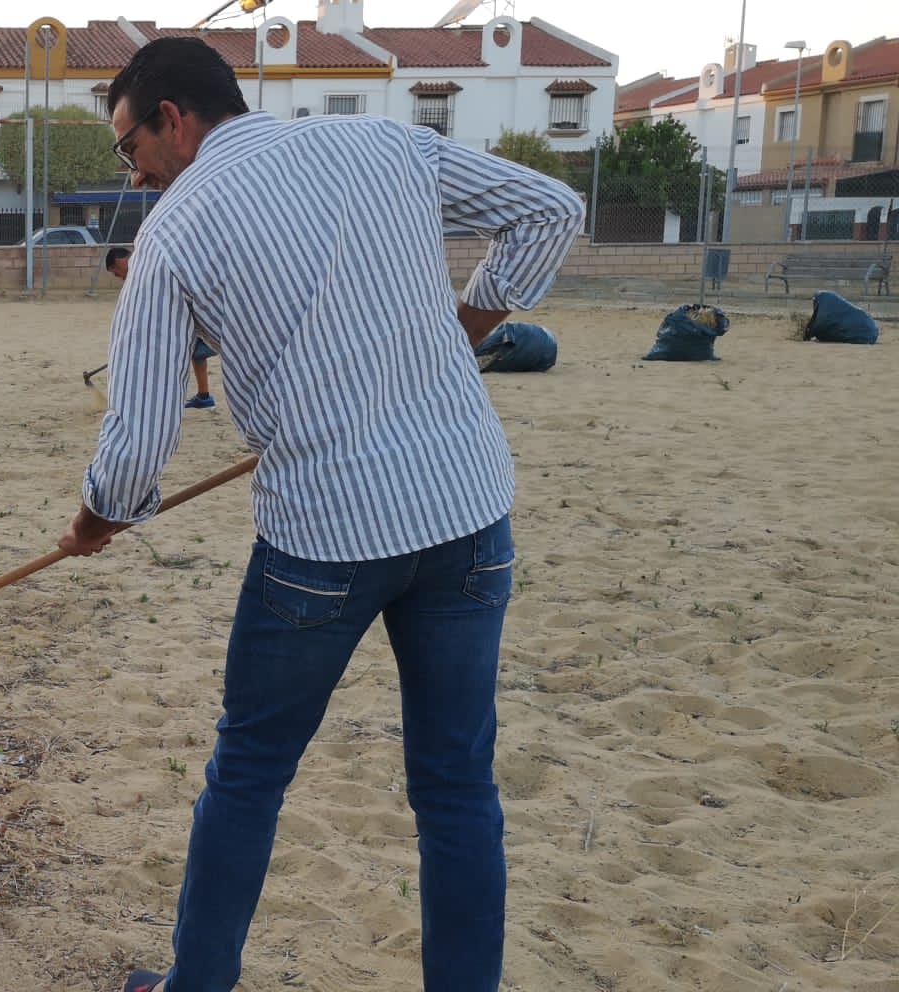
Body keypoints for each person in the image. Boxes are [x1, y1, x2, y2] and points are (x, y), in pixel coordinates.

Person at [60, 37, 582, 992]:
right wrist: (471, 321)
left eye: (130, 147)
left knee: (248, 776)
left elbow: (138, 437)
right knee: (457, 788)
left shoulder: (175, 233)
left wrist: (101, 517)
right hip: (466, 509)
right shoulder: (381, 143)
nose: (132, 173)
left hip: (323, 540)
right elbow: (551, 210)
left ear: (174, 119)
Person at [106, 246, 215, 410]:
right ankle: (204, 396)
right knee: (196, 351)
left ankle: (166, 399)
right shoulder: (141, 273)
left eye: (117, 273)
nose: (120, 278)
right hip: (194, 317)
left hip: (205, 314)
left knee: (180, 352)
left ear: (121, 261)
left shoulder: (150, 267)